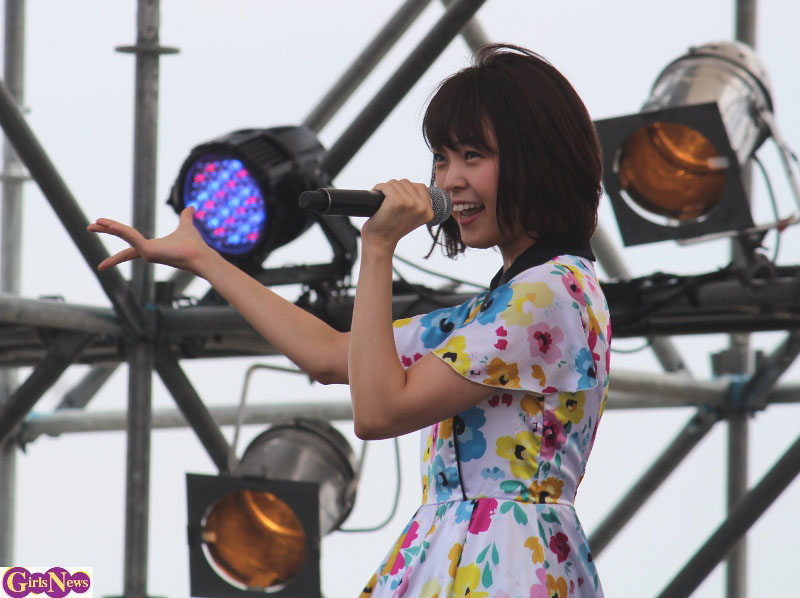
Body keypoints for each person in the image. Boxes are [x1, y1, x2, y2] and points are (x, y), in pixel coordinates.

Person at [89, 43, 609, 598]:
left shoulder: (547, 296)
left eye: (472, 156)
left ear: (537, 158)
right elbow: (333, 356)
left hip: (507, 564)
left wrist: (378, 247)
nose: (449, 180)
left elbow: (378, 411)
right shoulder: (512, 302)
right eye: (441, 159)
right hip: (467, 552)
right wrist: (204, 260)